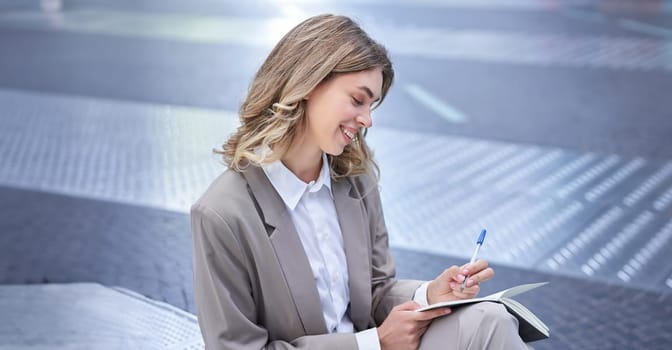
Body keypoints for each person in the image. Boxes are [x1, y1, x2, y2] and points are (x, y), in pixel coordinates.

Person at [190, 14, 531, 350]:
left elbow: (376, 290)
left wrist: (429, 294)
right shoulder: (222, 214)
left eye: (372, 105)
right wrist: (373, 344)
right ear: (308, 83)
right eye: (357, 100)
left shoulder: (355, 179)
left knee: (492, 319)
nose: (367, 119)